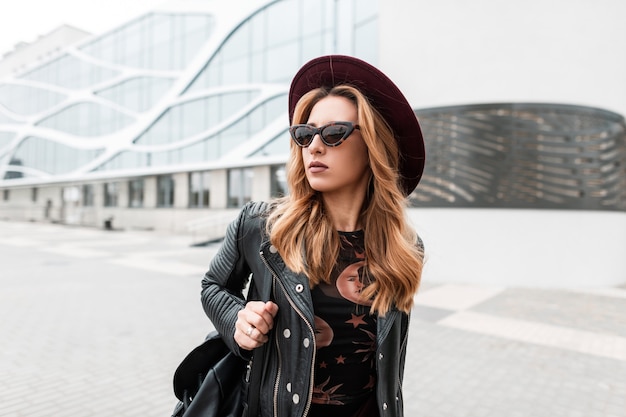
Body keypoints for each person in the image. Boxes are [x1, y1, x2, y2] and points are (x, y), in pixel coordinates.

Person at [200, 55, 425, 417]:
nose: (314, 147)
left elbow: (389, 367)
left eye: (334, 133)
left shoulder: (404, 249)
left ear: (373, 147)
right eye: (305, 135)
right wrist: (238, 319)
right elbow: (213, 285)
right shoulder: (262, 227)